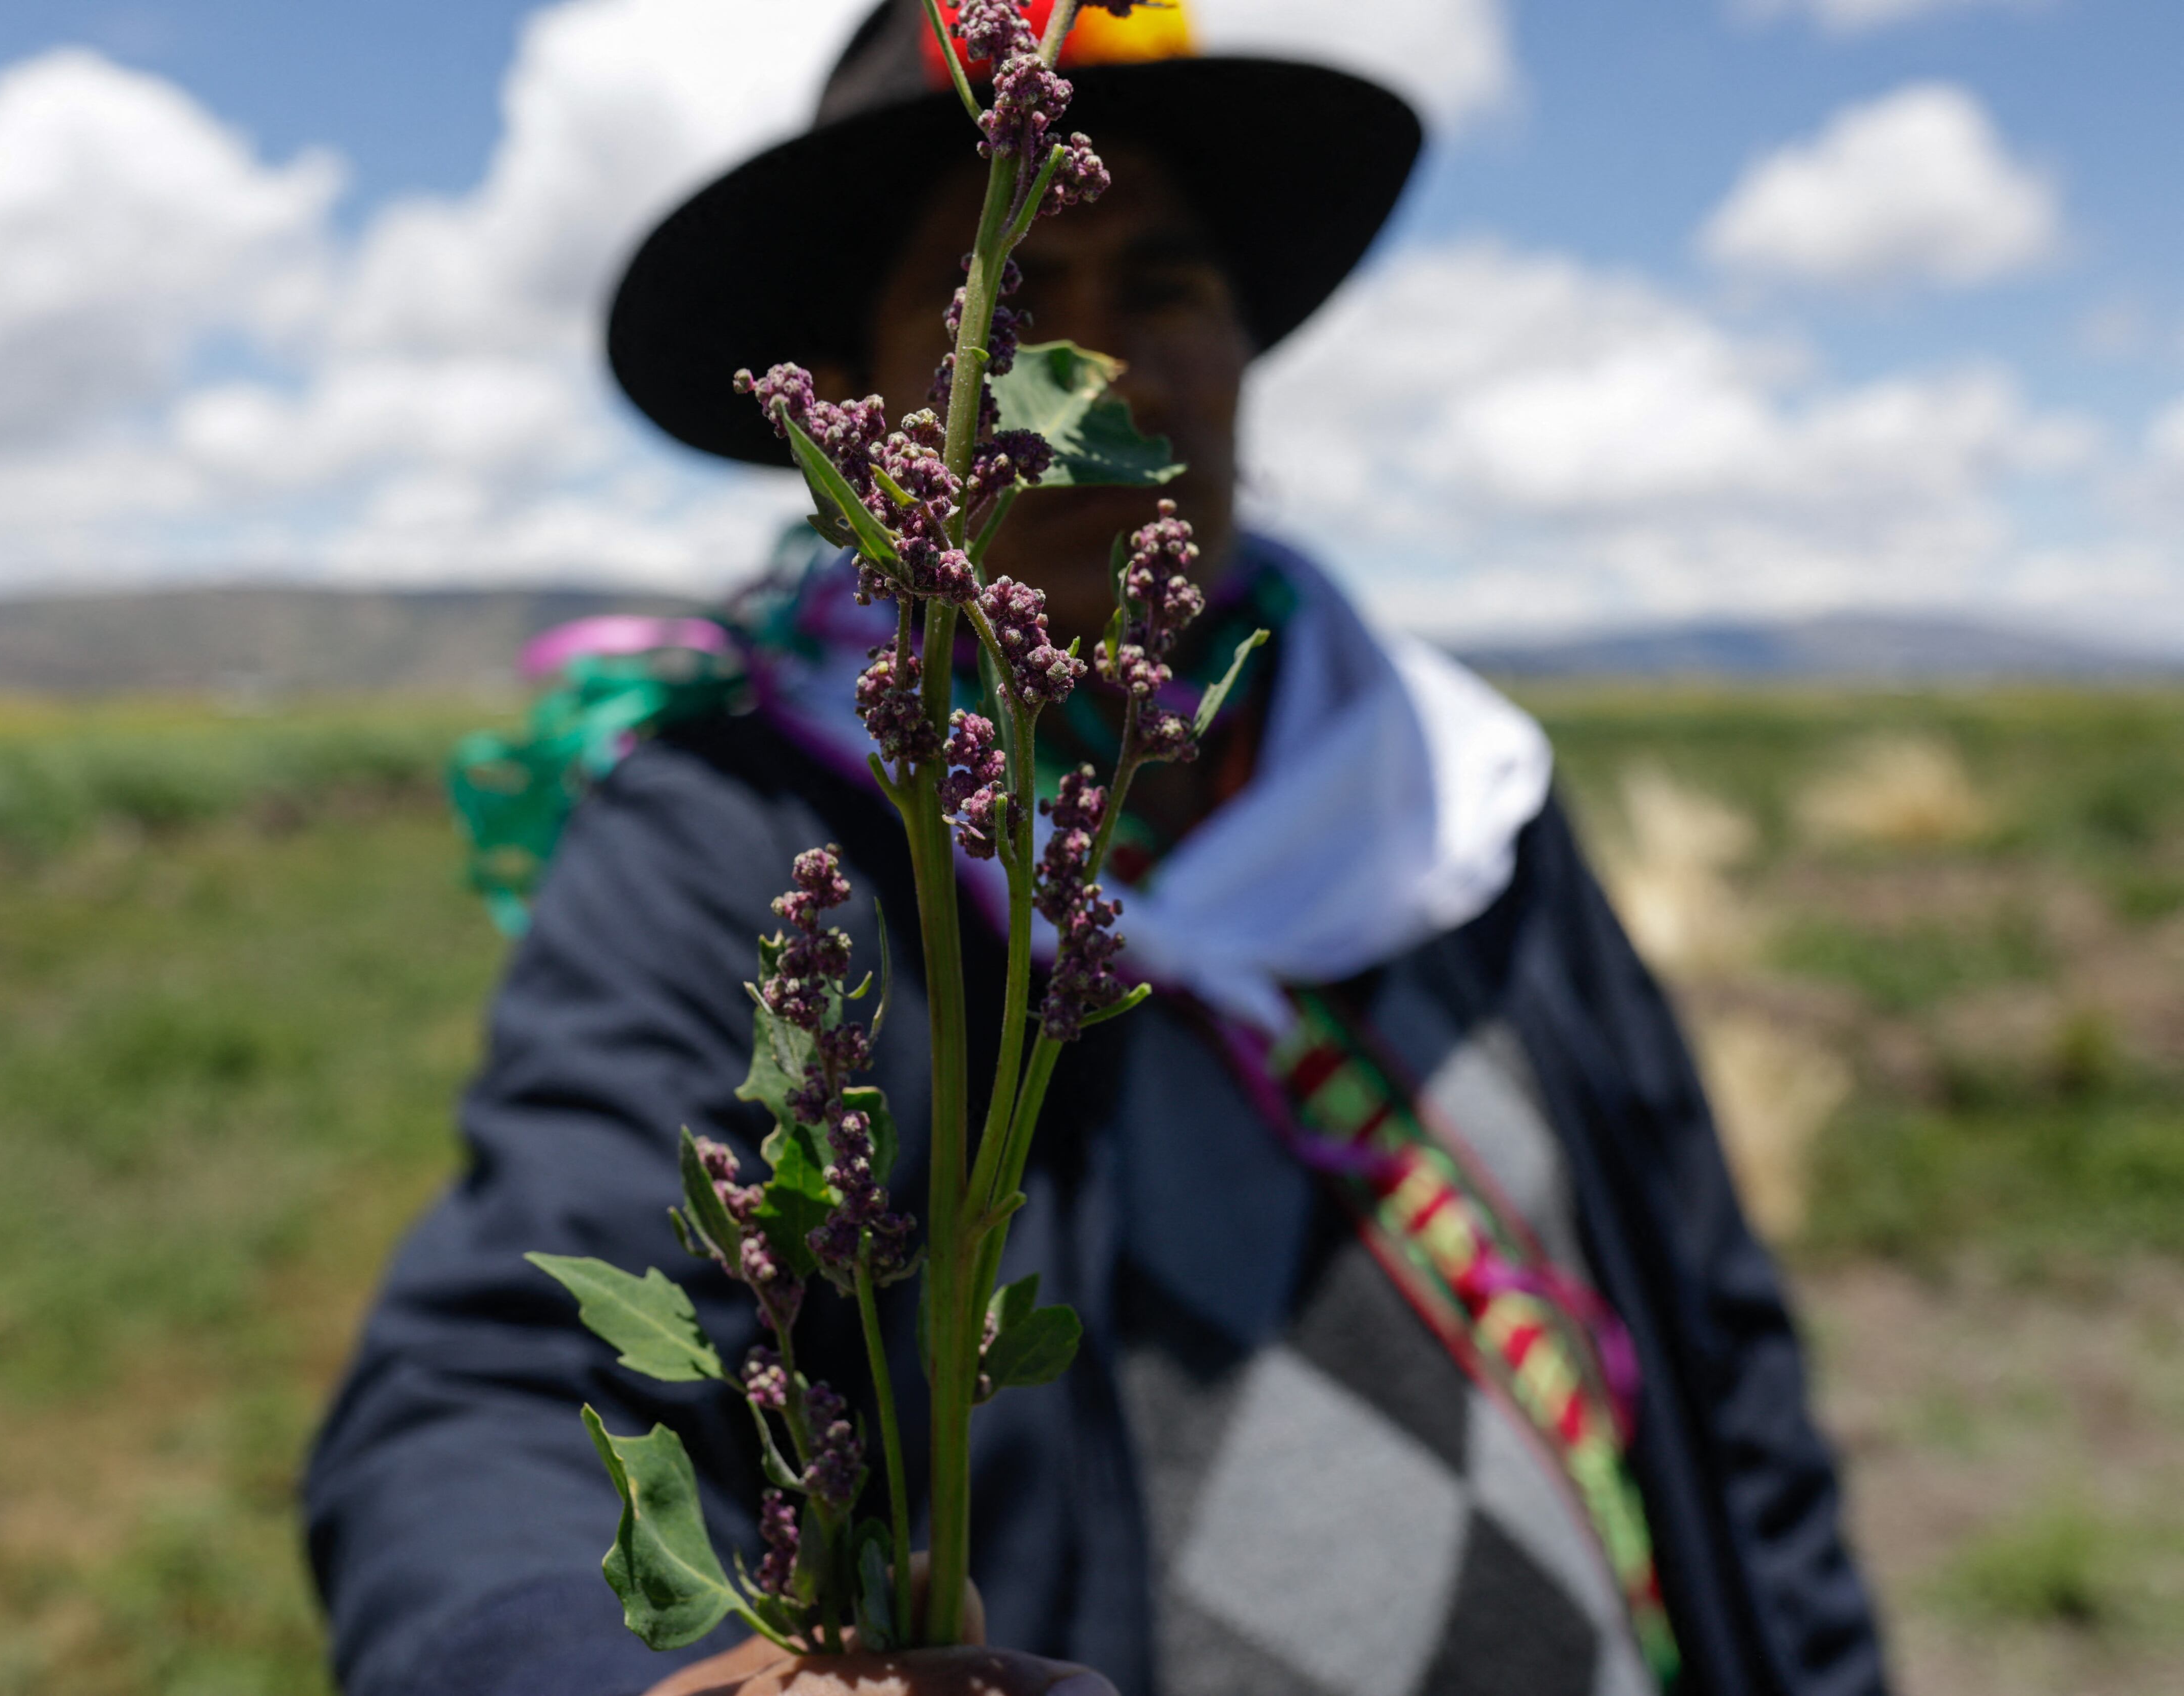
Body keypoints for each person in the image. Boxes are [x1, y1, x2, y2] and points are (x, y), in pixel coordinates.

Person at [302, 6, 1891, 1695]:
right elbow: (495, 1386)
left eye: (1161, 288)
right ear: (856, 403)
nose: (1096, 381)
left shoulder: (1446, 785)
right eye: (1005, 303)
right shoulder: (745, 831)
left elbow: (1714, 1350)